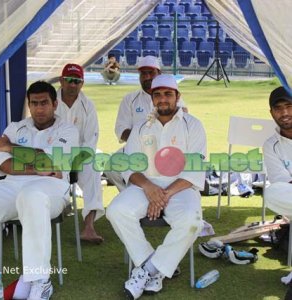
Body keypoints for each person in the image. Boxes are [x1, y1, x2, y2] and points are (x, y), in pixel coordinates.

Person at [106, 74, 206, 299]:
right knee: (116, 211)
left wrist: (165, 194)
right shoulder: (141, 127)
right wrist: (150, 189)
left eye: (168, 94)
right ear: (152, 99)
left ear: (177, 97)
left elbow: (195, 170)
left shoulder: (193, 126)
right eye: (157, 95)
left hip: (181, 188)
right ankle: (155, 265)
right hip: (145, 186)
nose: (163, 99)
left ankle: (148, 270)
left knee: (192, 222)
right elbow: (130, 167)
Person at [0, 81, 79, 299]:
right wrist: (37, 167)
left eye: (44, 103)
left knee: (32, 196)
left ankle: (40, 281)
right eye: (34, 103)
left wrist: (9, 147)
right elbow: (3, 166)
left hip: (52, 188)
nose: (39, 108)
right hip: (11, 186)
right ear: (29, 105)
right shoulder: (14, 128)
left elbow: (49, 161)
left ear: (55, 104)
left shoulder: (68, 130)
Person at [105, 55, 186, 191]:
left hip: (167, 148)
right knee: (112, 166)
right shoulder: (130, 99)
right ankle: (132, 196)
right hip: (136, 150)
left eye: (151, 72)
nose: (147, 77)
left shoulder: (171, 96)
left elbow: (183, 120)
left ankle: (160, 198)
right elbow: (121, 129)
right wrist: (142, 140)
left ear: (158, 73)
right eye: (144, 73)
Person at [56, 63, 104, 243]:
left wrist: (76, 161)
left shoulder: (88, 106)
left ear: (82, 84)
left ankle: (89, 227)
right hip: (53, 154)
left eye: (77, 81)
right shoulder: (50, 100)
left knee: (92, 170)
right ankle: (55, 209)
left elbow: (90, 139)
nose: (72, 85)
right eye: (69, 80)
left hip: (80, 155)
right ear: (61, 80)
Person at [264, 86, 292, 216]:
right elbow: (281, 182)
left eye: (289, 106)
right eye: (278, 108)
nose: (284, 113)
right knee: (271, 193)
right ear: (271, 113)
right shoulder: (271, 145)